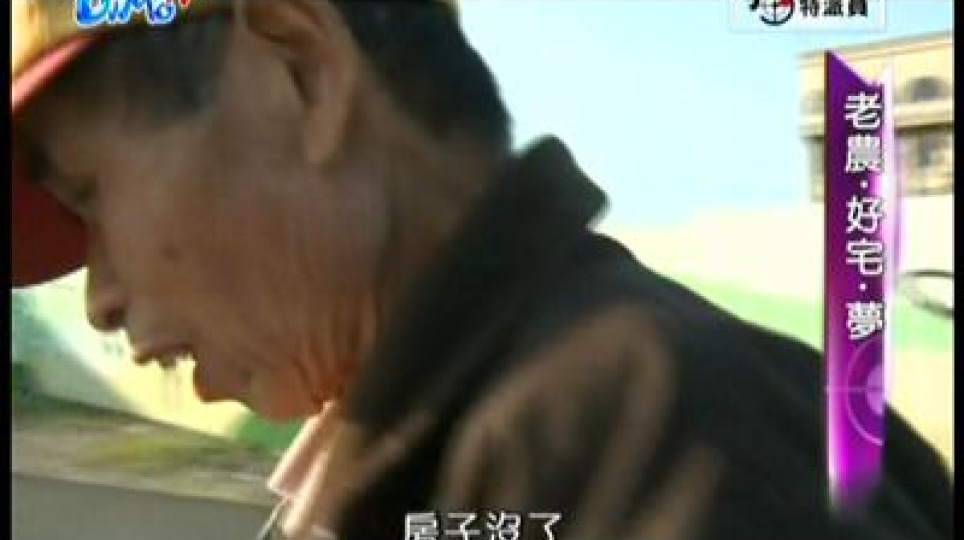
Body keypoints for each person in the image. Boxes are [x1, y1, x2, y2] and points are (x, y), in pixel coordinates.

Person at [11, 1, 952, 539]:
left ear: (303, 71)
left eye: (89, 198)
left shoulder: (657, 441)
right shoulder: (457, 452)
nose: (99, 302)